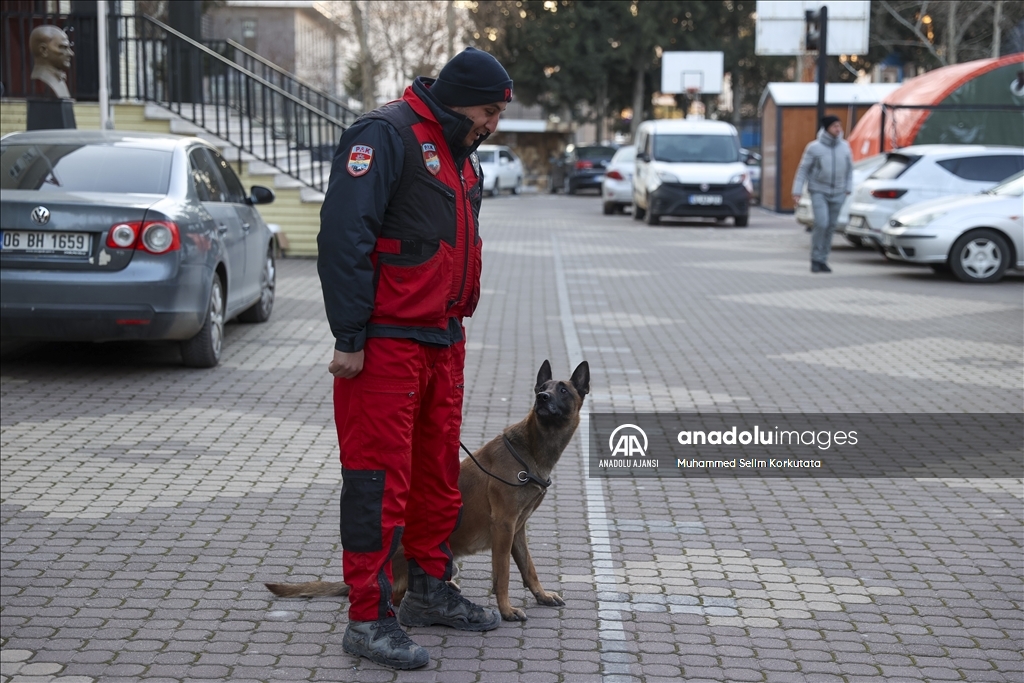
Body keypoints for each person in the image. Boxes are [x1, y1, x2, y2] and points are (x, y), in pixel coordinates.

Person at [317, 47, 512, 670]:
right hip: (385, 343)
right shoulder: (384, 135)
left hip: (442, 338)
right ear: (459, 100)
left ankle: (430, 588)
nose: (493, 124)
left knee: (435, 476)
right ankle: (367, 618)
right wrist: (349, 337)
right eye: (489, 111)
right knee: (378, 483)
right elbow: (343, 236)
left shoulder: (460, 154)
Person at [792, 115, 853, 273]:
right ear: (826, 128)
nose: (838, 129)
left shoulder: (845, 146)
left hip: (839, 192)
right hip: (819, 190)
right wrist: (797, 190)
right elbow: (803, 169)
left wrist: (848, 187)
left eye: (839, 126)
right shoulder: (814, 147)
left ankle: (823, 260)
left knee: (831, 226)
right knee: (822, 223)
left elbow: (849, 169)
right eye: (834, 126)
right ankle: (815, 258)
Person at [29, 25, 73, 99]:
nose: (71, 53)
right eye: (63, 47)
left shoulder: (58, 80)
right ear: (43, 50)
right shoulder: (42, 82)